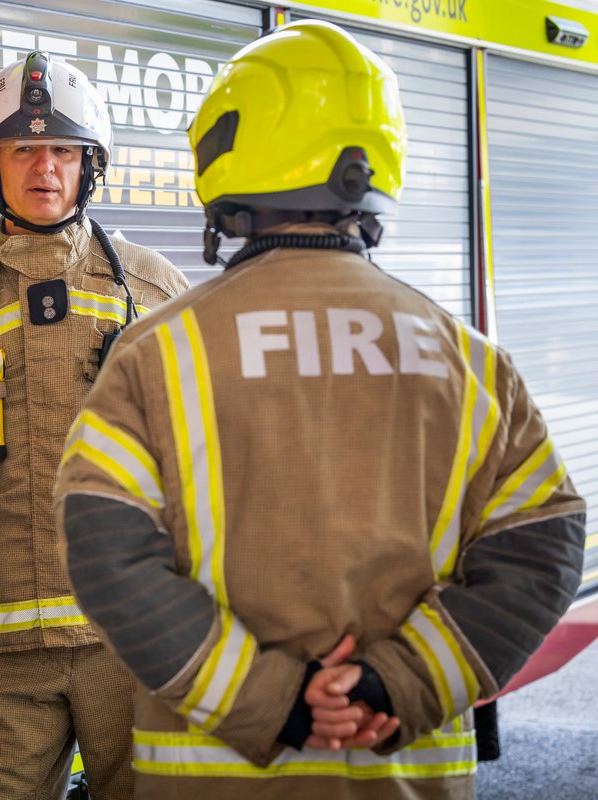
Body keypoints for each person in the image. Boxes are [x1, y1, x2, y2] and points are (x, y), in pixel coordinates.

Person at [55, 20, 586, 800]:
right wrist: (393, 683)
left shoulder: (157, 354)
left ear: (227, 155)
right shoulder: (470, 360)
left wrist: (275, 701)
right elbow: (543, 544)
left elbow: (104, 550)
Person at [0, 51, 188, 799]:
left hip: (136, 634)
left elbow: (211, 457)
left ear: (91, 165)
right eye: (22, 149)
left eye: (63, 149)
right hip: (3, 651)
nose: (44, 167)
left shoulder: (154, 292)